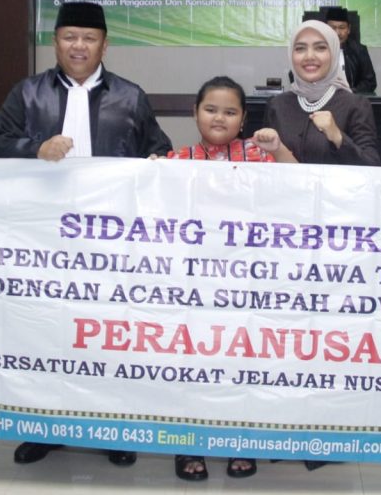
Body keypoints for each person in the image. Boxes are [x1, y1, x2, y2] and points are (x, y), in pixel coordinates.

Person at [0, 0, 171, 467]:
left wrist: (156, 165)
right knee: (46, 336)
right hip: (44, 242)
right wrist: (35, 148)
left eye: (89, 38)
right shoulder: (28, 93)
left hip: (110, 245)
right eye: (70, 37)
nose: (79, 46)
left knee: (107, 335)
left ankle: (113, 430)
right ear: (55, 42)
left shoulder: (130, 96)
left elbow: (161, 152)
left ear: (105, 45)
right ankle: (43, 429)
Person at [165, 75, 285, 480]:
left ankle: (240, 441)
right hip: (193, 287)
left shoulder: (261, 157)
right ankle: (189, 444)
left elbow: (301, 186)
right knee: (192, 365)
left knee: (241, 364)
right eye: (211, 109)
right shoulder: (175, 160)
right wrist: (149, 175)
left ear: (244, 118)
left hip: (246, 285)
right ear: (195, 112)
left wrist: (278, 149)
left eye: (230, 112)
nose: (219, 118)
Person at [259, 19, 379, 167]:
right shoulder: (277, 105)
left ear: (333, 53)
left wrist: (337, 136)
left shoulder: (355, 105)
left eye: (320, 48)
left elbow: (371, 166)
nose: (309, 56)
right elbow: (265, 166)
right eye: (300, 48)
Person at [323, 6, 377, 95]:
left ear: (348, 29)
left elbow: (370, 82)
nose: (337, 33)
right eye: (333, 28)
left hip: (350, 98)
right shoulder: (316, 50)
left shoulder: (359, 50)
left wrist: (351, 92)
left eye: (342, 27)